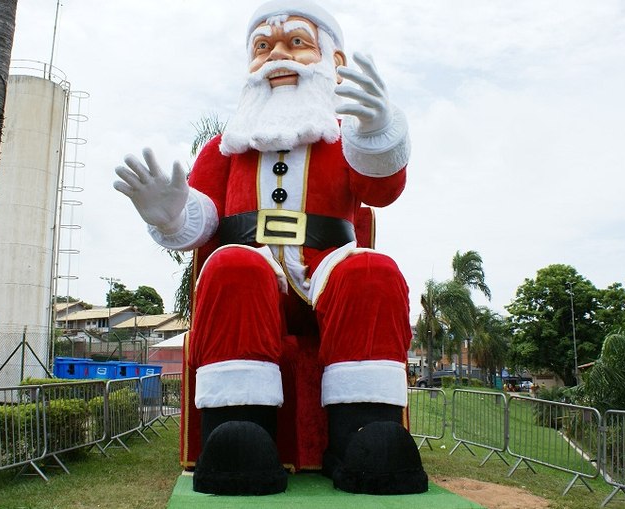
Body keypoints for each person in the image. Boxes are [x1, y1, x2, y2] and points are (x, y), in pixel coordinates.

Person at [114, 0, 426, 496]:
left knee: (374, 275)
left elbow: (381, 191)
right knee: (232, 268)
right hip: (252, 273)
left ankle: (365, 438)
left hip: (330, 267)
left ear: (334, 62)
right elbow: (204, 219)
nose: (278, 56)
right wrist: (170, 213)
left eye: (296, 43)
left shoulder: (346, 138)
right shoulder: (226, 148)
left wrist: (379, 133)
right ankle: (239, 437)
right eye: (264, 47)